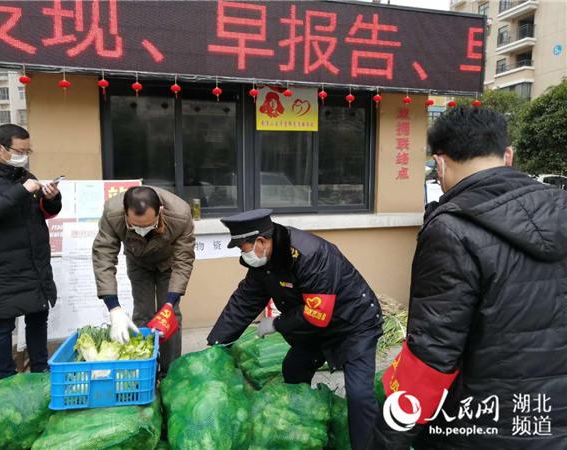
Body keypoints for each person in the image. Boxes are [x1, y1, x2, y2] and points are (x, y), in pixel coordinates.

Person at [370, 107, 567, 449]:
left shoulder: (452, 230)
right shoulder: (561, 208)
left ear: (440, 163)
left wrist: (388, 439)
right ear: (508, 155)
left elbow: (431, 356)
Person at [207, 209, 383, 450]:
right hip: (312, 327)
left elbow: (318, 314)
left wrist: (276, 324)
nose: (242, 254)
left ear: (261, 241)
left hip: (353, 324)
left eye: (243, 248)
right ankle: (306, 426)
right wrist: (215, 345)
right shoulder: (264, 263)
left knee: (359, 396)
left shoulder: (312, 255)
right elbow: (244, 301)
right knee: (293, 369)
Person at [0, 124, 61, 379]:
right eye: (20, 150)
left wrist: (51, 198)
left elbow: (42, 213)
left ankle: (40, 370)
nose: (25, 155)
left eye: (28, 150)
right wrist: (22, 191)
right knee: (1, 326)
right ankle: (6, 379)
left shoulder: (22, 175)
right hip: (2, 267)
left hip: (33, 262)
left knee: (37, 319)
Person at [92, 186, 195, 374]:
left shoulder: (180, 213)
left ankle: (169, 370)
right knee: (142, 312)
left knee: (169, 316)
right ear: (125, 213)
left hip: (168, 263)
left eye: (148, 224)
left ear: (160, 211)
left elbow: (184, 259)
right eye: (135, 225)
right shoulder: (112, 212)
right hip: (137, 260)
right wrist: (113, 307)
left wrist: (170, 303)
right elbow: (103, 255)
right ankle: (143, 366)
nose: (141, 229)